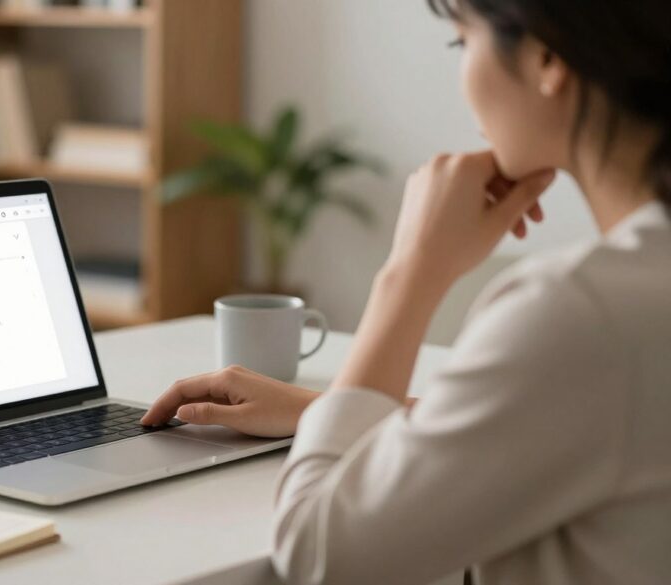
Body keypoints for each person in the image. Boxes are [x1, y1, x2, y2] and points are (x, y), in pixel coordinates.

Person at [140, 1, 671, 583]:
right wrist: (318, 409)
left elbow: (318, 556)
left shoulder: (579, 313)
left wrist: (411, 271)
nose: (462, 73)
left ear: (547, 57)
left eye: (460, 42)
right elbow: (565, 418)